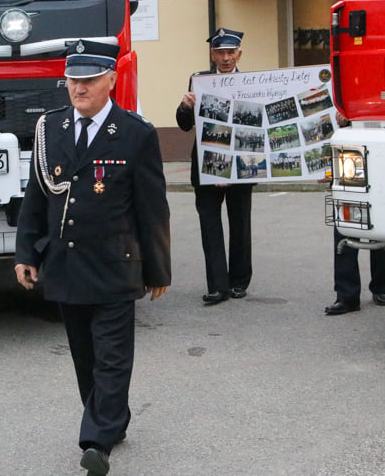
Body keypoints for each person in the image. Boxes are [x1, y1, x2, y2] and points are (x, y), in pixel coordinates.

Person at [14, 40, 171, 476]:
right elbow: (37, 197)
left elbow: (152, 207)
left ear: (111, 81)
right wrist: (26, 252)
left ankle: (96, 441)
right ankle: (111, 420)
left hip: (116, 265)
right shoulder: (51, 129)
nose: (78, 88)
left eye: (88, 79)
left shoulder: (136, 133)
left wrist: (157, 268)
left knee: (112, 357)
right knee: (86, 358)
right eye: (72, 79)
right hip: (66, 266)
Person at [176, 28, 253, 305]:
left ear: (239, 54)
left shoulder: (250, 82)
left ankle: (239, 281)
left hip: (241, 165)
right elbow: (185, 125)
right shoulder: (199, 81)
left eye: (230, 52)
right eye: (220, 52)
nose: (225, 58)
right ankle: (217, 285)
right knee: (210, 226)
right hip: (207, 166)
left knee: (240, 224)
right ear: (212, 54)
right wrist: (185, 107)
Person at [323, 111, 385, 315]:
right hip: (351, 151)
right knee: (346, 224)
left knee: (380, 223)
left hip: (382, 147)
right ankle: (347, 295)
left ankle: (381, 286)